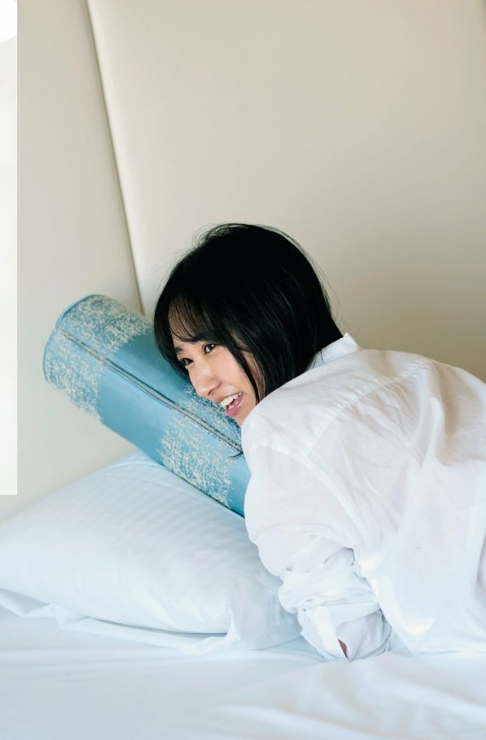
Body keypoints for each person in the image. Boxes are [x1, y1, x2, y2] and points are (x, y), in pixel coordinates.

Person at [154, 223, 486, 660]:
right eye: (186, 361)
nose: (201, 383)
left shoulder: (278, 428)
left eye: (211, 346)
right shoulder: (421, 370)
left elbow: (349, 635)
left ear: (267, 315)